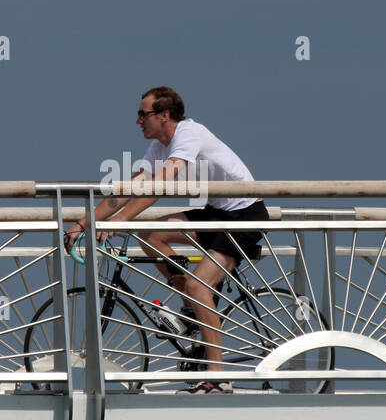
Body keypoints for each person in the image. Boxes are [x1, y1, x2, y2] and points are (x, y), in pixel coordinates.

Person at [65, 86, 269, 393]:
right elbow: (131, 187)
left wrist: (121, 220)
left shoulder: (189, 134)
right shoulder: (160, 145)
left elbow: (161, 185)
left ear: (165, 115)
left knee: (200, 285)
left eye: (142, 114)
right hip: (217, 212)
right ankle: (190, 309)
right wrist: (84, 222)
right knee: (150, 235)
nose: (138, 121)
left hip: (244, 217)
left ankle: (218, 375)